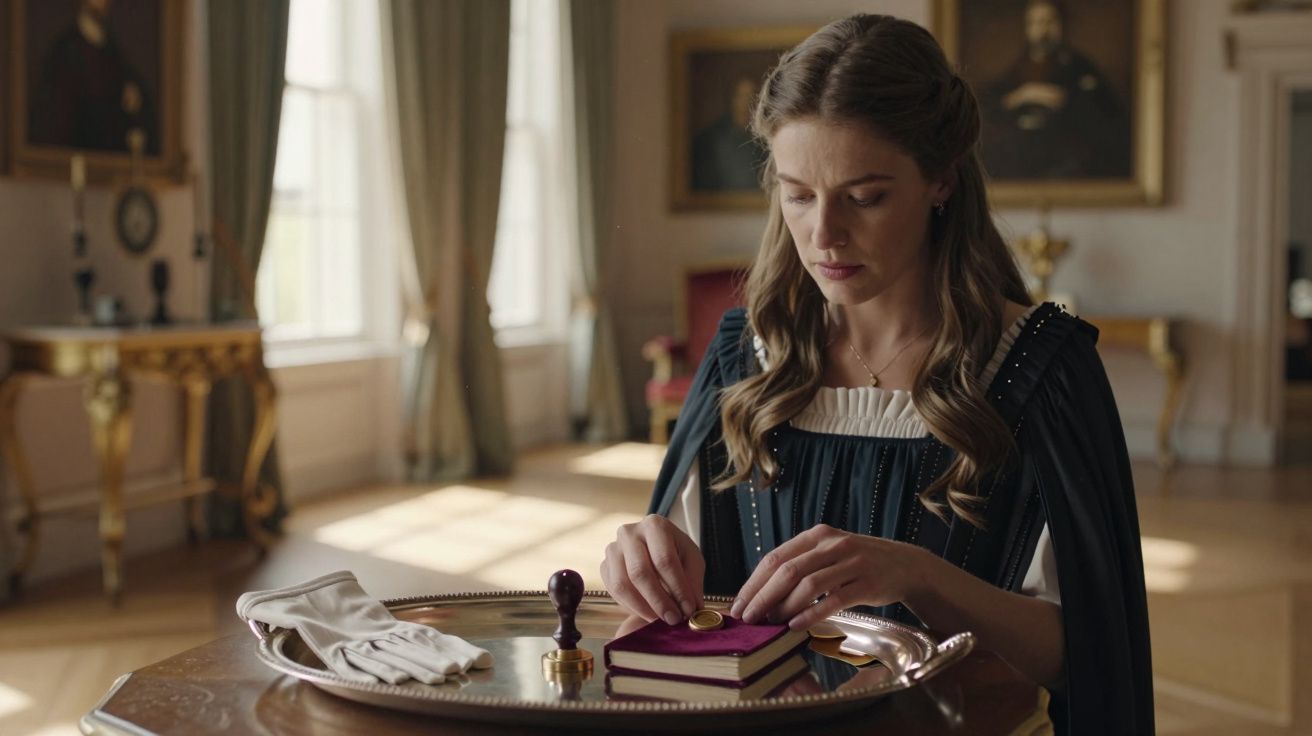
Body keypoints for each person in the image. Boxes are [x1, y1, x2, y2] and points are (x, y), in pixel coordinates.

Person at [600, 13, 1152, 735]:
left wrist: (918, 575)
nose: (824, 235)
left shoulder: (1039, 370)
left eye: (864, 197)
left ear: (941, 179)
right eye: (798, 195)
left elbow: (1084, 655)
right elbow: (693, 613)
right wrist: (644, 559)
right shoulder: (744, 358)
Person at [980, 0, 1131, 179]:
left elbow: (1108, 116)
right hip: (1023, 160)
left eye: (1050, 21)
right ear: (1027, 28)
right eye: (1036, 23)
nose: (1043, 30)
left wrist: (1065, 100)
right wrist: (1022, 96)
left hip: (1067, 163)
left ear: (1062, 25)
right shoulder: (1017, 69)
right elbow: (988, 104)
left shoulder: (1079, 66)